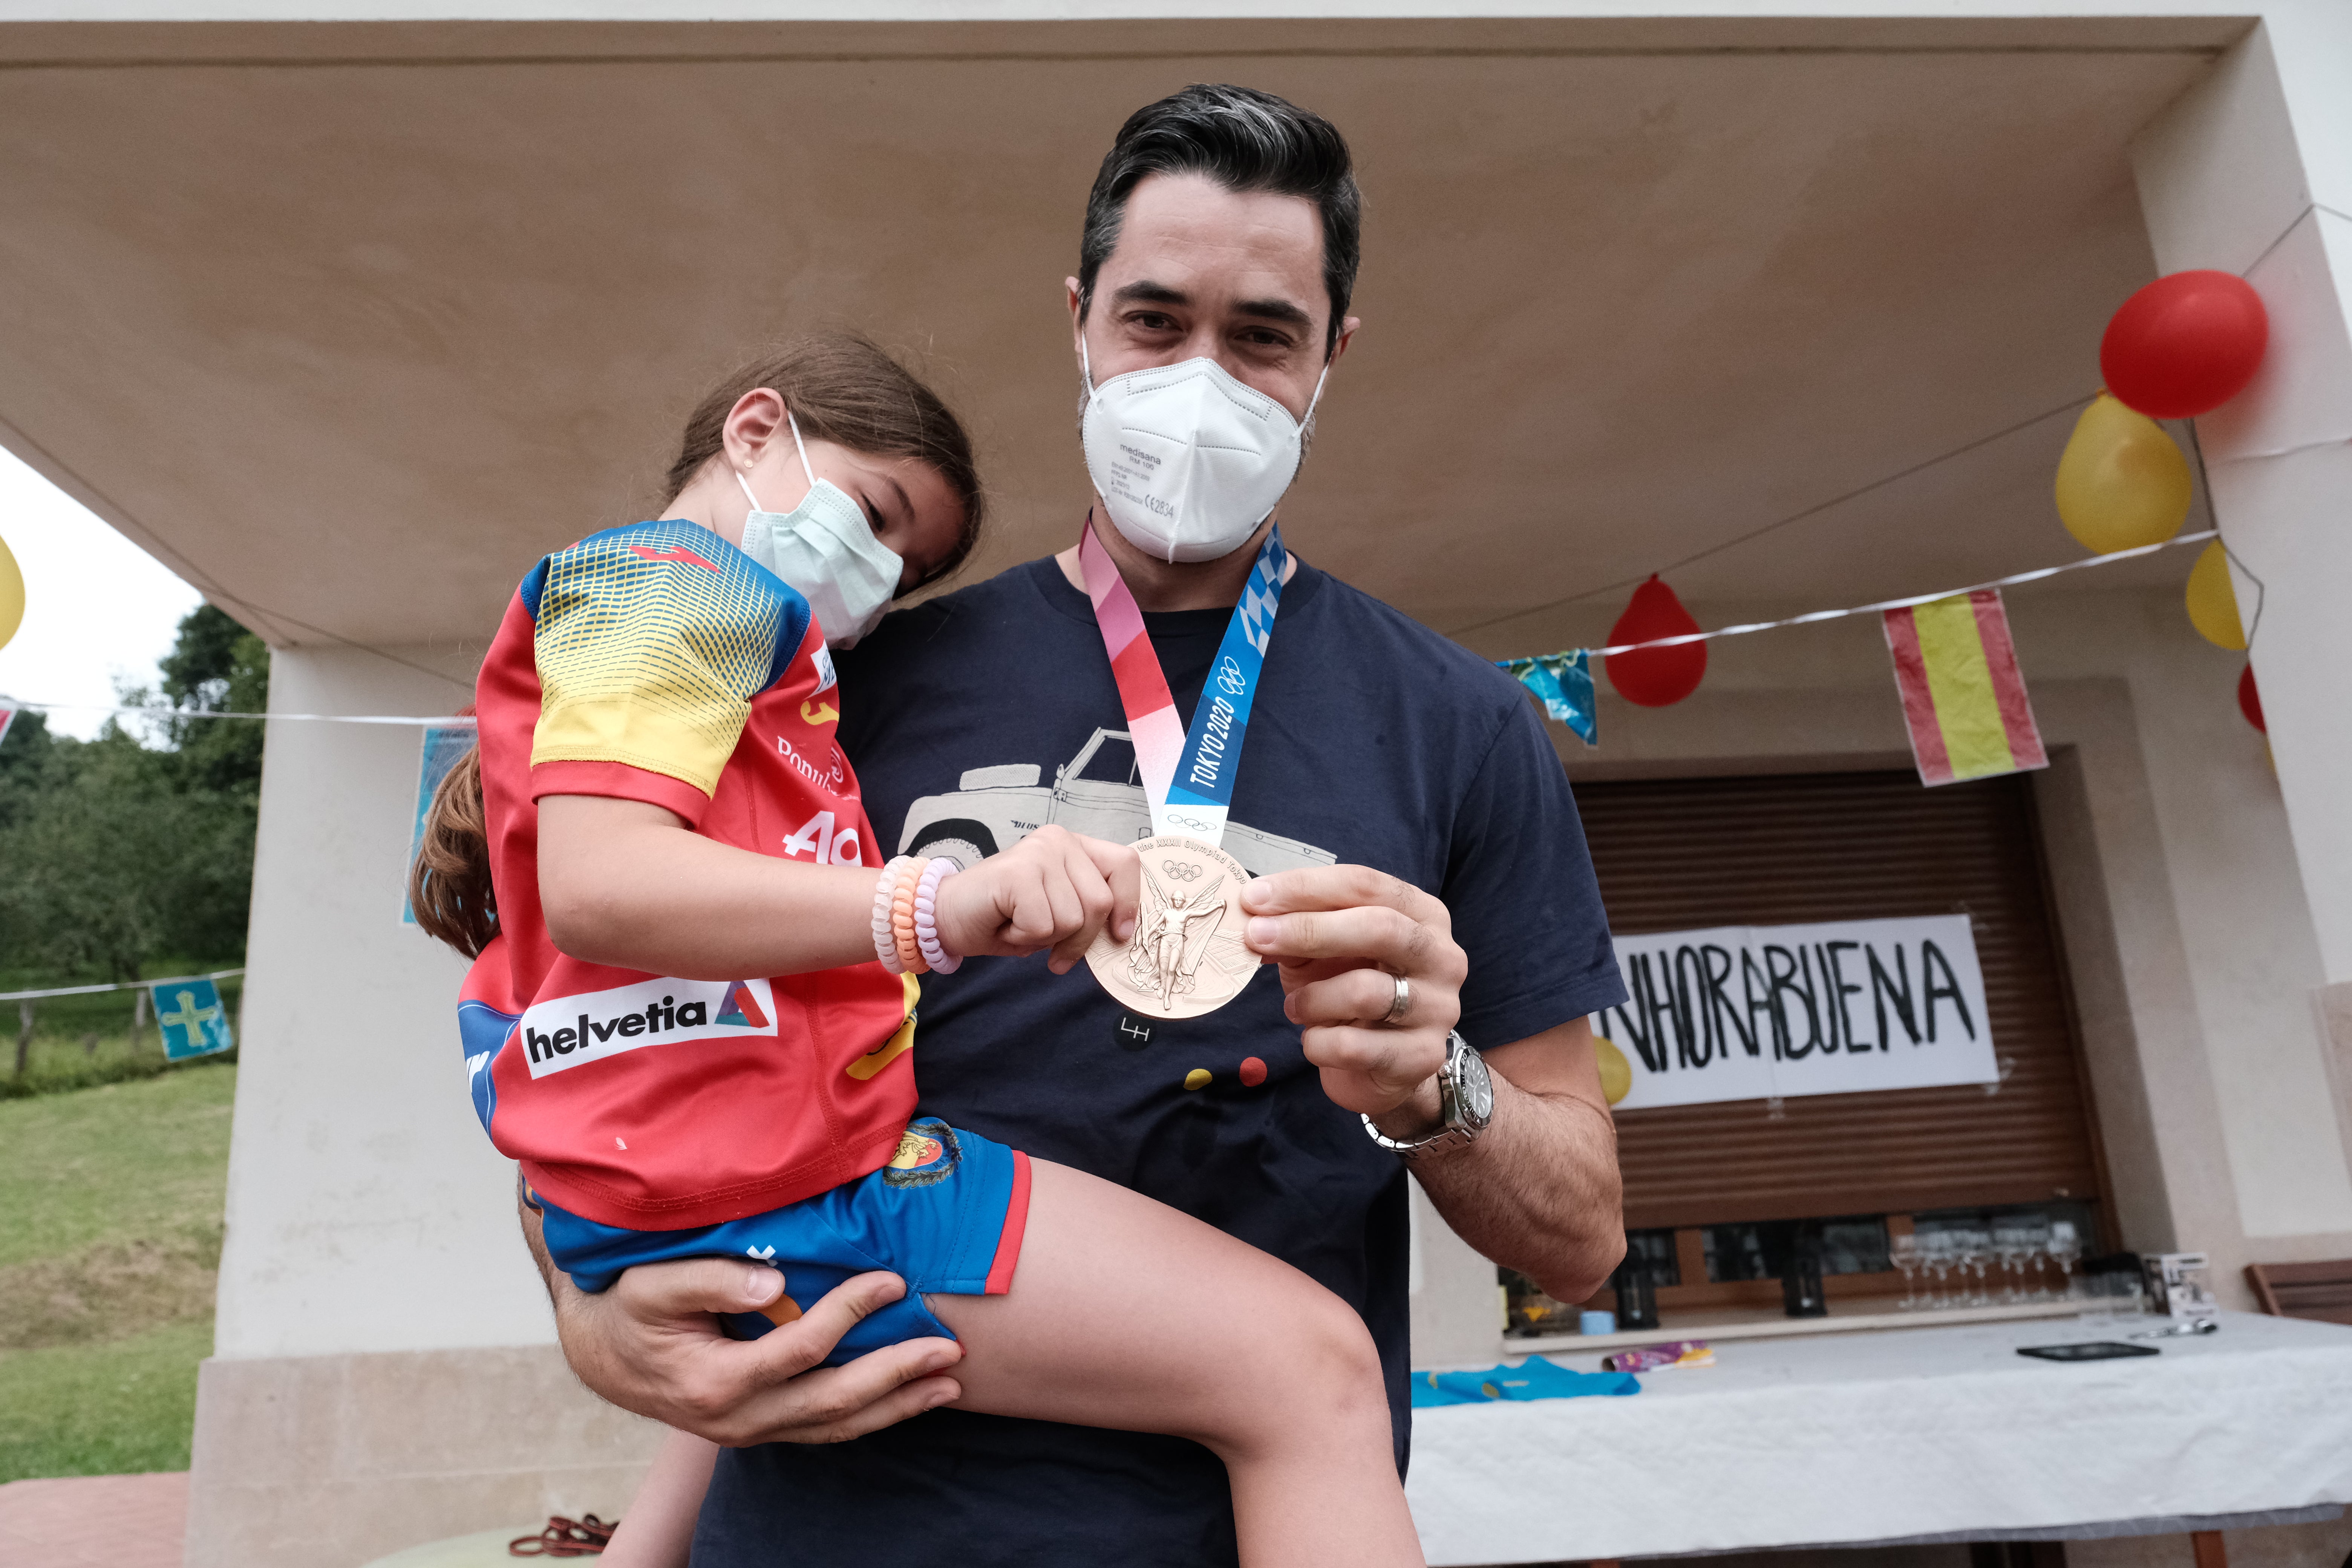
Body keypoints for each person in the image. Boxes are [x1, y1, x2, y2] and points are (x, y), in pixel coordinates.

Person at [528, 86, 1630, 1566]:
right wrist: (591, 1314)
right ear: (1081, 323)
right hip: (822, 1521)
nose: (1198, 380)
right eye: (1156, 321)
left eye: (1261, 337)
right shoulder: (846, 678)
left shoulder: (1461, 724)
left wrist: (1440, 1085)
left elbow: (1584, 1234)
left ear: (1332, 359)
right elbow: (601, 1025)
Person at [412, 333, 1427, 1567]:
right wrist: (933, 908)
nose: (878, 580)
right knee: (1312, 1369)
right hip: (802, 1193)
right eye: (879, 515)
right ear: (755, 431)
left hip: (722, 1199)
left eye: (909, 568)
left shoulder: (759, 694)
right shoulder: (666, 586)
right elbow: (603, 887)